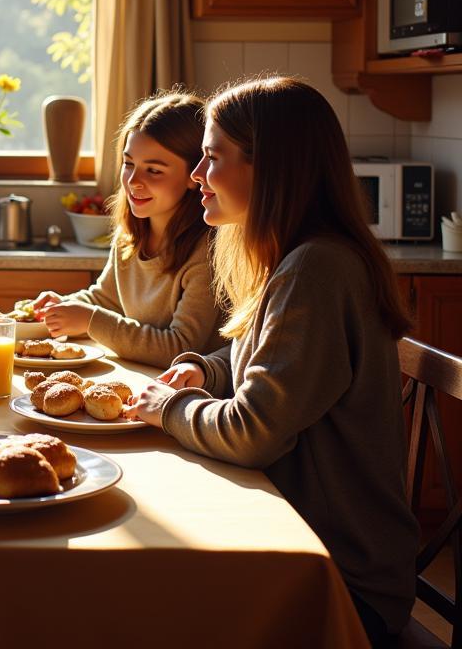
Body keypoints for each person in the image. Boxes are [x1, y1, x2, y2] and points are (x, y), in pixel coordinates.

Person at [123, 76, 417, 646]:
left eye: (211, 159)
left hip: (340, 585)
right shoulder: (298, 258)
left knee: (137, 601)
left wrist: (170, 406)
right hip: (309, 549)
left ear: (272, 168)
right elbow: (269, 359)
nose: (196, 177)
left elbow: (255, 432)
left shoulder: (317, 271)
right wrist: (209, 371)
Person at [32, 90, 223, 367]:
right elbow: (106, 298)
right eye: (129, 163)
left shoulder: (207, 249)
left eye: (154, 170)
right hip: (138, 375)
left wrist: (89, 319)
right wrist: (62, 306)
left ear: (194, 175)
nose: (133, 180)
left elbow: (181, 346)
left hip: (186, 394)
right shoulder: (130, 235)